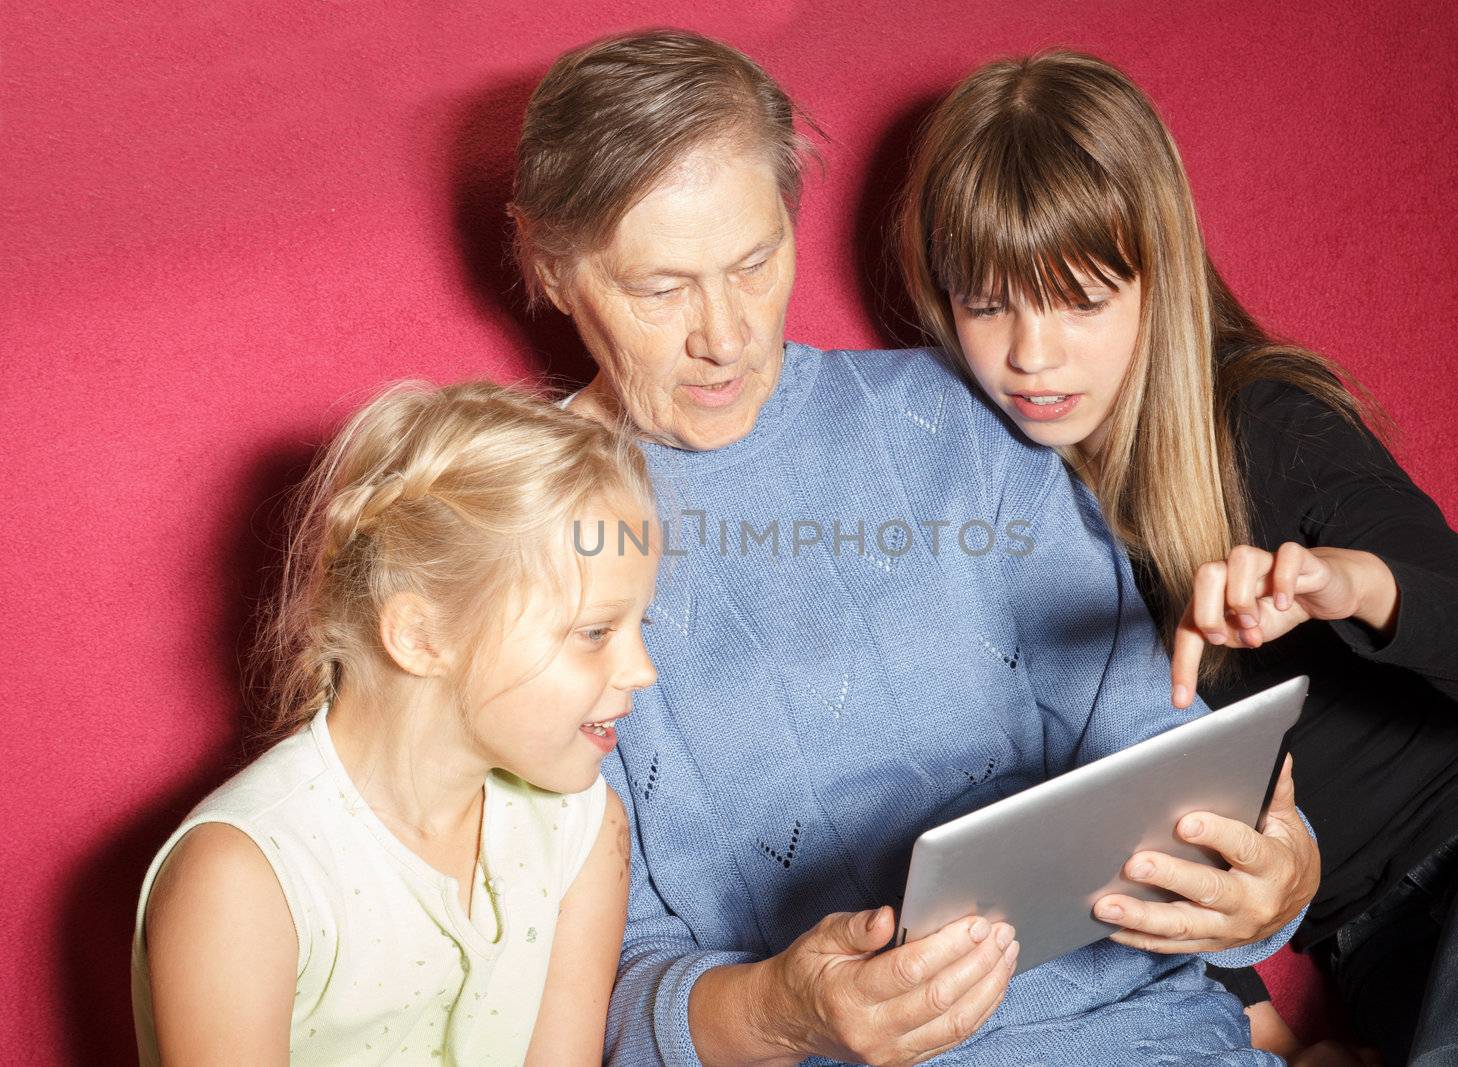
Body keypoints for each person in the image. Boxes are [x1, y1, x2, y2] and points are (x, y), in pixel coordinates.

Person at [509, 30, 1321, 1066]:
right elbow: (581, 1001)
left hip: (1156, 1037)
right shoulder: (525, 540)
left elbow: (1156, 750)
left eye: (755, 263)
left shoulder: (953, 419)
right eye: (660, 288)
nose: (724, 334)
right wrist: (779, 1009)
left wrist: (1272, 875)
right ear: (549, 265)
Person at [895, 48, 1458, 1065]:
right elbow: (1099, 809)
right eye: (987, 302)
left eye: (1081, 299)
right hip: (1374, 936)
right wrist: (1265, 1025)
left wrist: (1351, 584)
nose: (1032, 356)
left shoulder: (1264, 421)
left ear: (1156, 279)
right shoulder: (998, 513)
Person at [130, 382, 658, 1064]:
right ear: (418, 634)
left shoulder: (584, 826)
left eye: (637, 624)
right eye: (593, 631)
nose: (642, 669)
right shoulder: (245, 879)